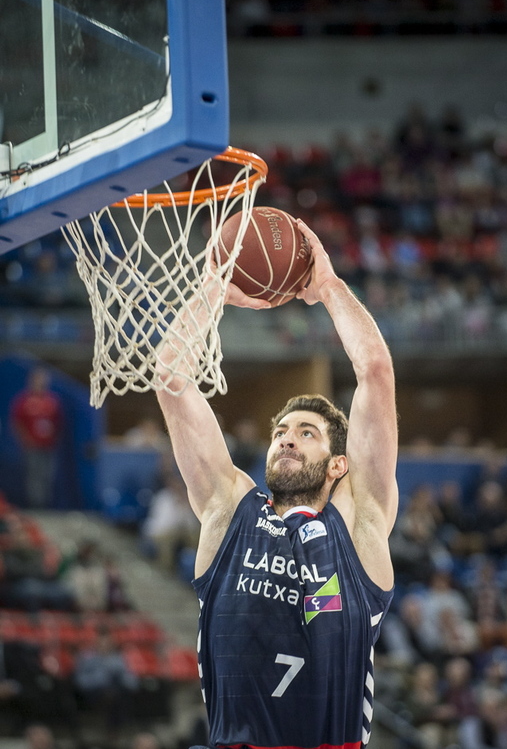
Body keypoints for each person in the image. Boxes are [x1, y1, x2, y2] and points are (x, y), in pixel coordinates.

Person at [155, 219, 399, 748]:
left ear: (338, 464)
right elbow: (171, 374)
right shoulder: (230, 511)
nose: (286, 439)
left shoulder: (361, 525)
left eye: (307, 433)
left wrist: (328, 286)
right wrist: (215, 285)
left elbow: (375, 371)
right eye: (281, 431)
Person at [10, 366, 63, 508]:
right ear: (31, 382)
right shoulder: (23, 401)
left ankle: (45, 505)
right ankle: (36, 506)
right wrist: (25, 439)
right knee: (34, 476)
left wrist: (54, 438)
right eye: (38, 380)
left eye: (43, 380)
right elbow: (17, 422)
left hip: (48, 445)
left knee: (48, 475)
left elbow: (58, 422)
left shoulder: (52, 401)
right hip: (32, 446)